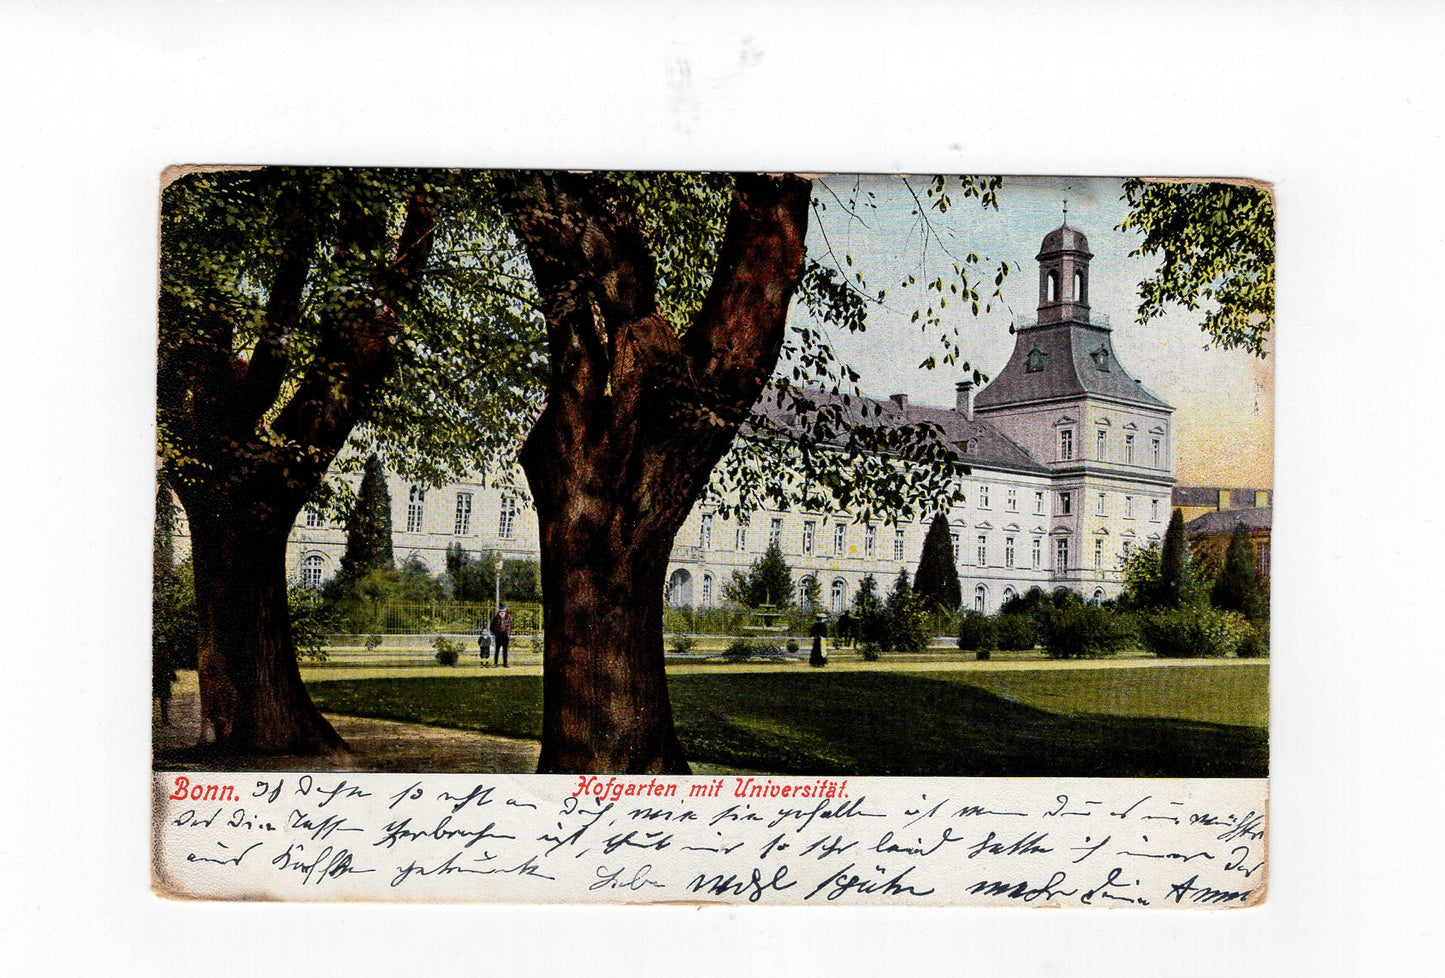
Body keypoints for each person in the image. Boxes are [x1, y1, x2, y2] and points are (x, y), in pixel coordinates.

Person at [153, 643, 176, 725]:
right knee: (163, 701)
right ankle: (164, 719)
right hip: (163, 679)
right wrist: (173, 676)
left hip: (156, 679)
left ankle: (164, 719)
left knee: (156, 699)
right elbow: (169, 666)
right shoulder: (165, 654)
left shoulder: (154, 654)